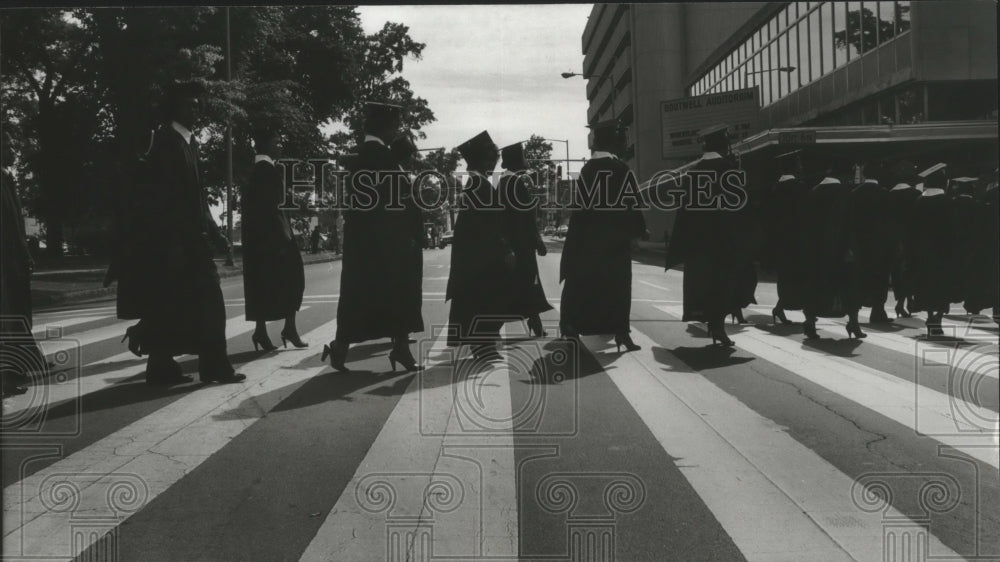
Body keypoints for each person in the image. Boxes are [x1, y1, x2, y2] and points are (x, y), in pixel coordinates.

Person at [128, 80, 245, 384]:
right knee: (209, 305)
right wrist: (175, 244)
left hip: (188, 241)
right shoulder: (167, 143)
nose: (197, 107)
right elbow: (165, 200)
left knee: (172, 305)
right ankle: (214, 366)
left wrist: (216, 230)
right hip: (178, 244)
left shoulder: (187, 142)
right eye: (190, 103)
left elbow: (198, 196)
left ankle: (161, 366)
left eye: (197, 102)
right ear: (175, 108)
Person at [324, 102, 423, 372]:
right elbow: (395, 202)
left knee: (359, 296)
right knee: (396, 293)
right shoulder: (383, 157)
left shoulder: (361, 157)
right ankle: (400, 349)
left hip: (363, 242)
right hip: (387, 241)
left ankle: (340, 348)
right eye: (395, 126)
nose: (396, 131)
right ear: (386, 127)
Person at [561, 119, 646, 351]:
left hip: (587, 240)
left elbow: (581, 208)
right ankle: (621, 332)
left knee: (582, 286)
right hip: (614, 242)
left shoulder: (587, 169)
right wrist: (637, 234)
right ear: (614, 142)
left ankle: (571, 328)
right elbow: (632, 204)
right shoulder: (620, 169)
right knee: (618, 287)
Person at [665, 124, 745, 346]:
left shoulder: (693, 173)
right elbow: (737, 208)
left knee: (703, 285)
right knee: (723, 285)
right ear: (723, 145)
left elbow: (684, 211)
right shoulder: (727, 170)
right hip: (721, 240)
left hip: (698, 243)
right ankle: (718, 327)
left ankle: (711, 323)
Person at [446, 130, 515, 359]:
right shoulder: (480, 185)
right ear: (483, 160)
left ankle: (483, 344)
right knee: (486, 299)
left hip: (476, 255)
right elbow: (489, 224)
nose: (494, 165)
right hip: (484, 256)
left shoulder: (475, 183)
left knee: (480, 300)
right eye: (492, 161)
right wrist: (504, 249)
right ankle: (482, 346)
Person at [241, 128, 307, 352]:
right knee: (294, 279)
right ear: (266, 144)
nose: (280, 145)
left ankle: (261, 331)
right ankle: (289, 328)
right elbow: (272, 208)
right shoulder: (267, 170)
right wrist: (284, 237)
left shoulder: (254, 169)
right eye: (276, 141)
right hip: (275, 239)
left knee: (262, 285)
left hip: (257, 241)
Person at [800, 159, 867, 340]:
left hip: (815, 250)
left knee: (814, 285)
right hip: (840, 248)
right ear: (844, 175)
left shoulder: (812, 193)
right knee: (849, 286)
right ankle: (853, 323)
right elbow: (851, 225)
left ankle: (810, 323)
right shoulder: (846, 194)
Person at [1, 129, 46, 396]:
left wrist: (25, 254)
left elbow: (16, 225)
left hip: (14, 259)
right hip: (5, 262)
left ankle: (23, 364)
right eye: (6, 146)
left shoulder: (7, 178)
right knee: (9, 317)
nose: (13, 151)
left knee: (18, 312)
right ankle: (10, 372)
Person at [498, 141, 552, 337]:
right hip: (520, 244)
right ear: (516, 161)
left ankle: (535, 322)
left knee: (523, 285)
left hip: (515, 244)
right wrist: (538, 241)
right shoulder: (515, 183)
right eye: (523, 156)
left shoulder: (504, 182)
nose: (526, 160)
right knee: (526, 283)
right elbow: (526, 216)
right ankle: (534, 322)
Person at [908, 163, 958, 336]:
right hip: (943, 252)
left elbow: (913, 229)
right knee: (942, 286)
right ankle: (938, 317)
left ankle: (929, 313)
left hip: (922, 252)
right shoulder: (948, 203)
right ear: (944, 184)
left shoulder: (919, 202)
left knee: (926, 285)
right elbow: (952, 230)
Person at [763, 149, 810, 324]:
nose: (801, 167)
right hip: (798, 242)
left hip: (779, 244)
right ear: (794, 168)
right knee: (802, 278)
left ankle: (780, 309)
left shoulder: (773, 190)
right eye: (799, 164)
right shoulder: (801, 188)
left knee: (786, 279)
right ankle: (806, 314)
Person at [389, 134, 425, 347]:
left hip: (407, 239)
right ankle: (400, 334)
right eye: (410, 153)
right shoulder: (396, 174)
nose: (412, 158)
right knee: (406, 289)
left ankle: (400, 333)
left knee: (408, 290)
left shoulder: (400, 173)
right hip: (405, 241)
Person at [848, 162, 893, 323]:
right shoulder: (886, 194)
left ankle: (855, 313)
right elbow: (890, 222)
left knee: (859, 277)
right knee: (880, 277)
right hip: (881, 244)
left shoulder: (854, 194)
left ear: (865, 175)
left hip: (860, 243)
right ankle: (878, 310)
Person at [887, 178, 921, 318]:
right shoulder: (916, 194)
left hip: (893, 239)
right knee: (910, 270)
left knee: (897, 272)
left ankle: (902, 302)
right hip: (911, 239)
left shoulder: (889, 195)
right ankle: (907, 301)